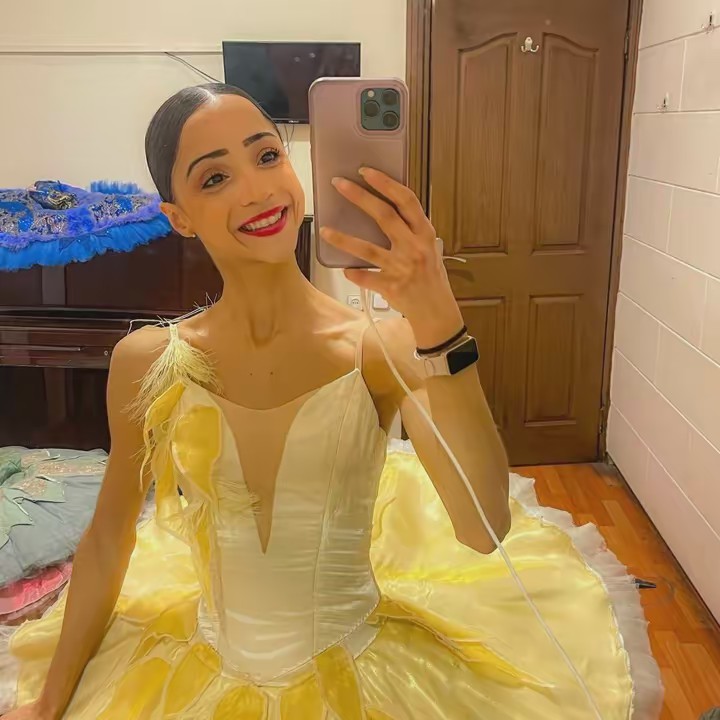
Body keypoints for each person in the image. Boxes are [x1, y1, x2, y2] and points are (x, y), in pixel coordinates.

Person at [2, 83, 663, 719]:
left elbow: (482, 528)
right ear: (178, 216)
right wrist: (50, 701)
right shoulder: (147, 361)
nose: (257, 189)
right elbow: (108, 538)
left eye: (267, 155)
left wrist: (439, 321)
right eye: (215, 177)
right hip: (189, 668)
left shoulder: (381, 346)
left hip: (365, 673)